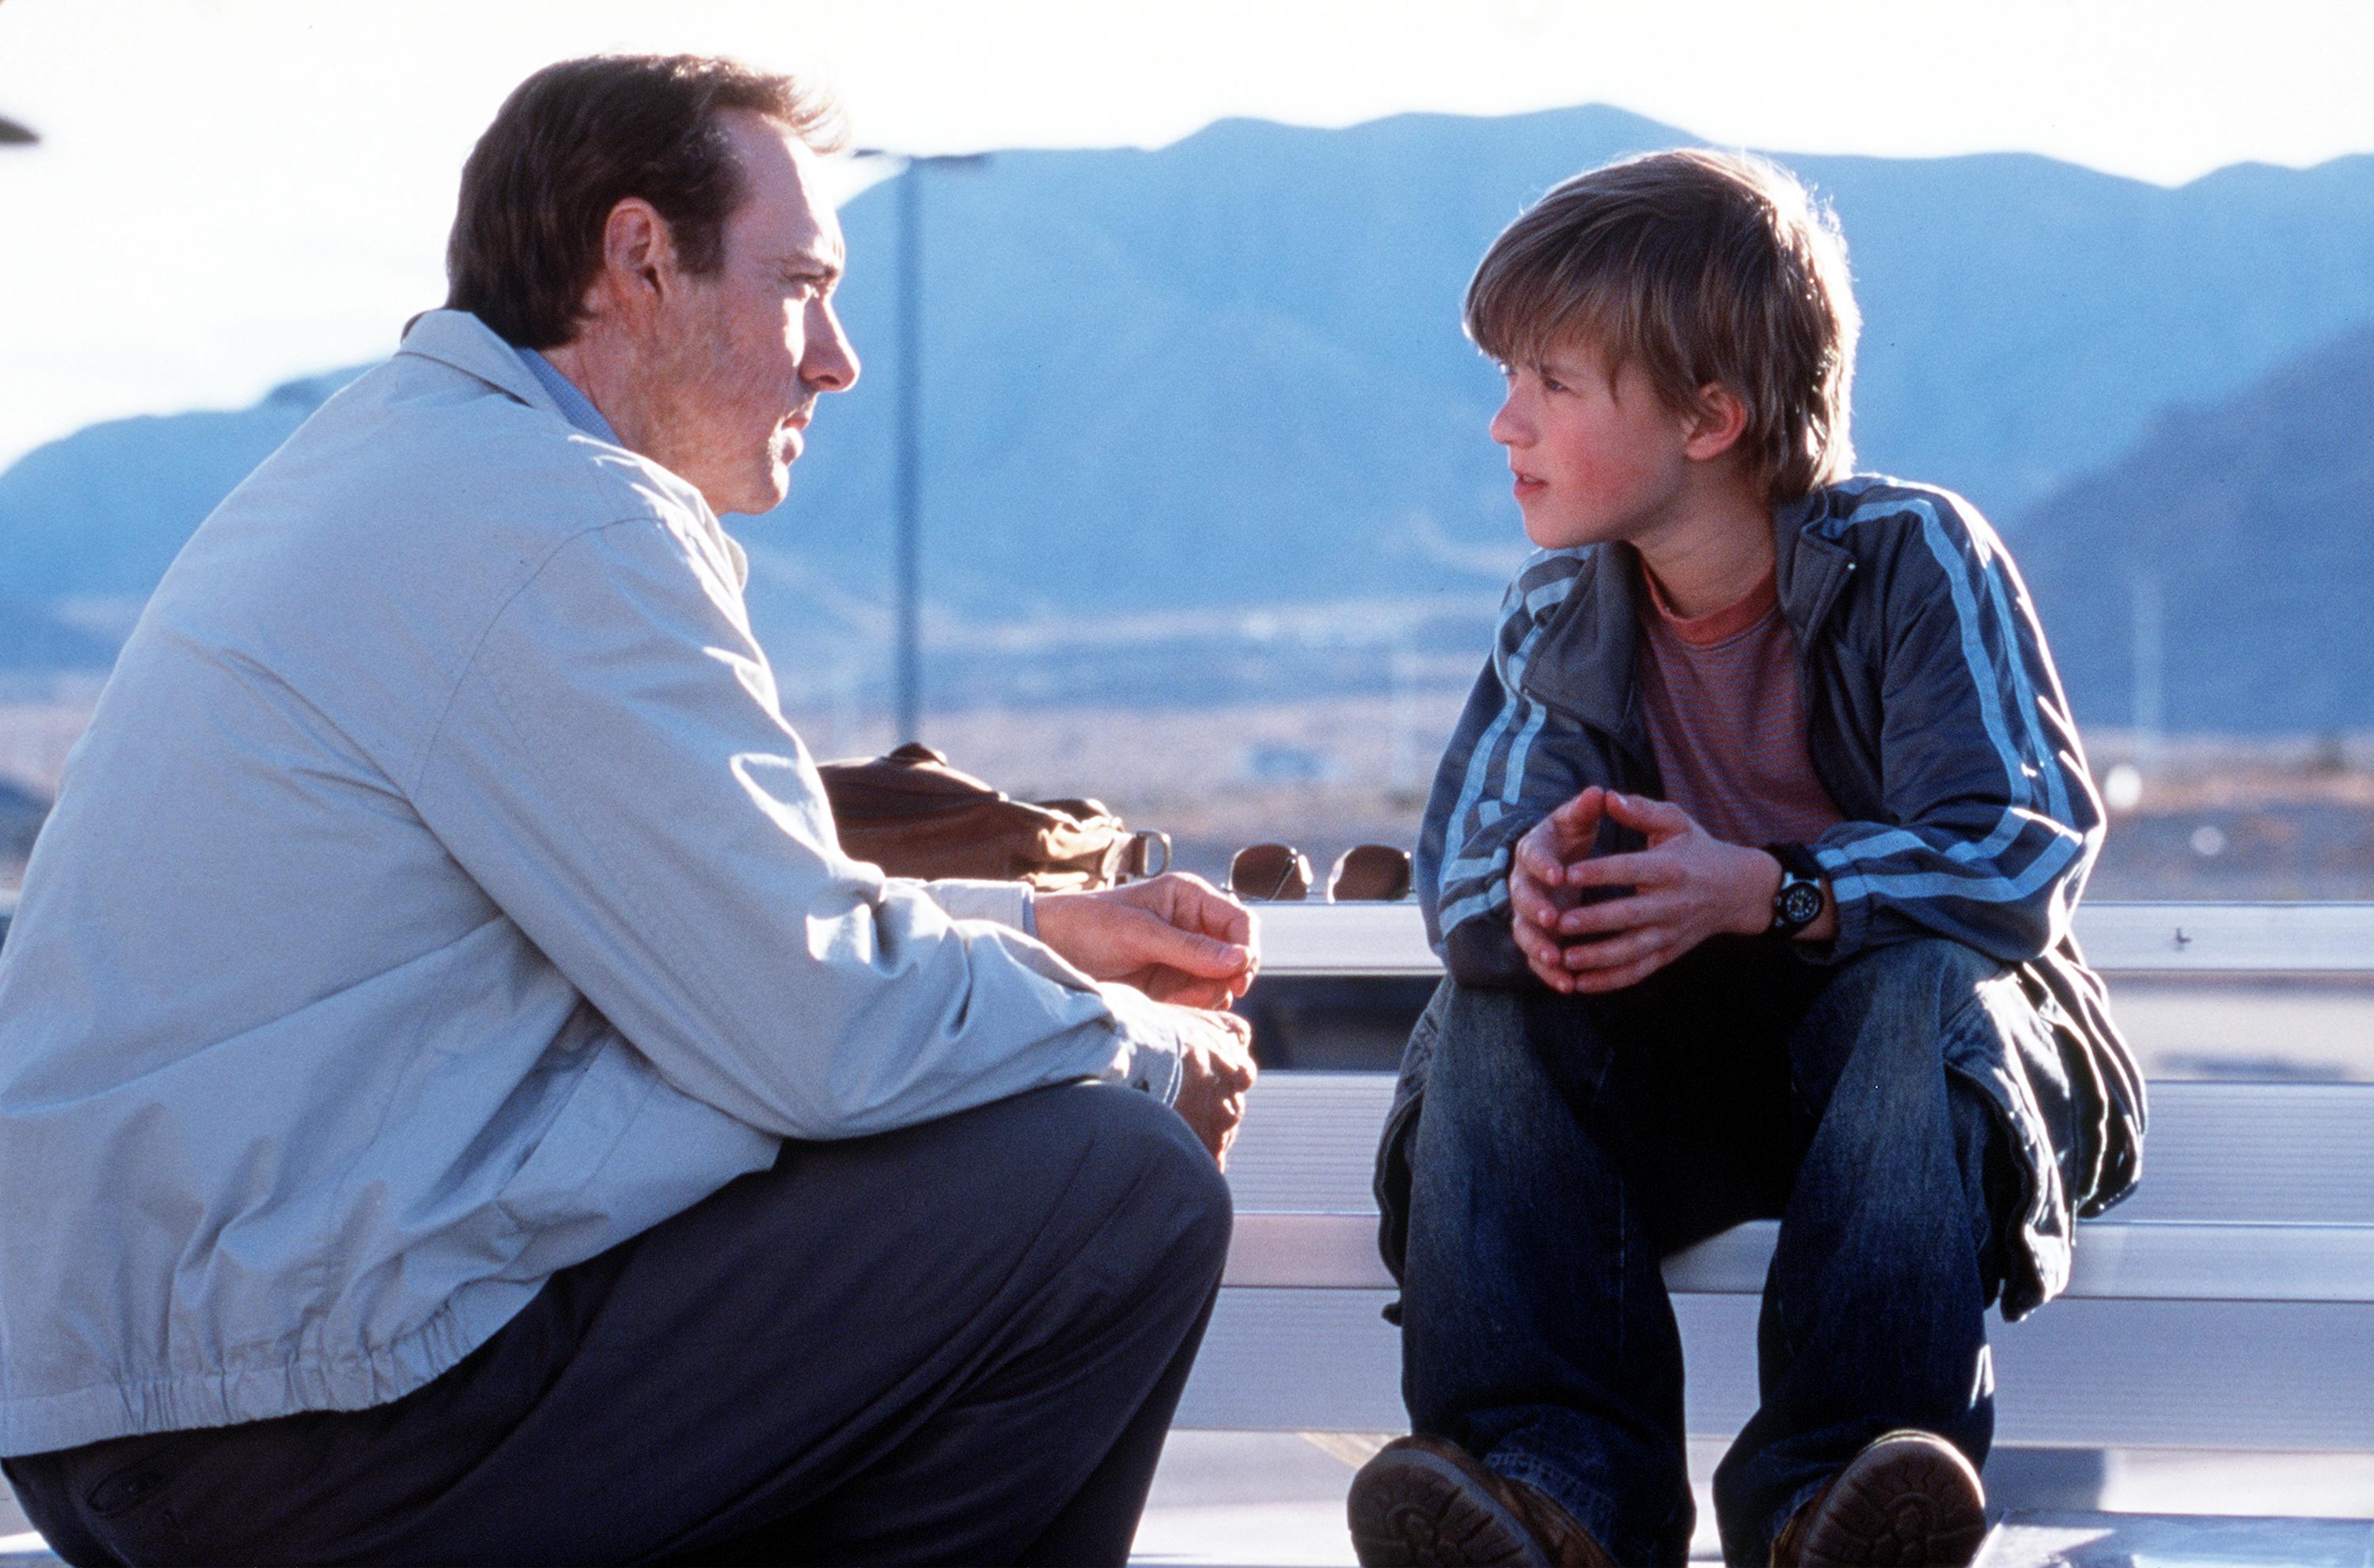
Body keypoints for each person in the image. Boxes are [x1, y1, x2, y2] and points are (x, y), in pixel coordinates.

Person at [0, 55, 1261, 1567]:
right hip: (301, 1415)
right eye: (801, 283)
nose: (838, 357)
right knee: (1111, 1185)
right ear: (641, 258)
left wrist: (1042, 928)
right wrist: (1139, 1046)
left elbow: (690, 934)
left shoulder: (399, 468)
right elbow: (811, 1033)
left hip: (177, 1394)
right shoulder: (560, 521)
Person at [1345, 150, 2145, 1568]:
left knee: (1916, 991)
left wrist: (1773, 887)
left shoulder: (1913, 557)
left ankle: (1835, 1509)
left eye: (1551, 384)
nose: (1502, 423)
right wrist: (1527, 900)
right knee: (1490, 1011)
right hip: (1689, 1100)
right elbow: (1459, 886)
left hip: (1916, 1105)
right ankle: (1548, 1496)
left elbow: (2017, 851)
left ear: (1711, 415)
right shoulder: (1557, 613)